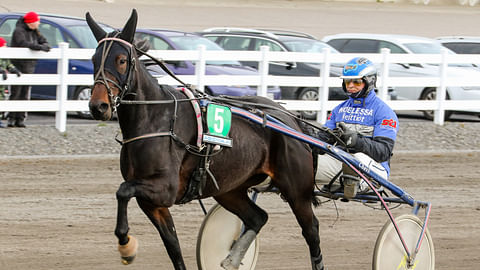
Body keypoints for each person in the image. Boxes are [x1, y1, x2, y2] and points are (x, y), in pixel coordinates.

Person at [315, 57, 399, 198]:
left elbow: (384, 152)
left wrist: (356, 142)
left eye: (356, 82)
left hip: (374, 169)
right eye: (347, 82)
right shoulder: (338, 110)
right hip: (341, 162)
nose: (351, 86)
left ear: (369, 81)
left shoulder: (384, 112)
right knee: (305, 161)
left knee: (357, 157)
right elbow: (321, 140)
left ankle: (363, 184)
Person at [8, 11, 50, 128]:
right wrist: (39, 47)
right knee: (16, 93)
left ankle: (20, 119)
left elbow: (45, 41)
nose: (39, 22)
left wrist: (43, 46)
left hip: (29, 66)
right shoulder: (19, 31)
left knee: (25, 93)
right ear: (31, 22)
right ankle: (11, 118)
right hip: (18, 66)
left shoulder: (35, 32)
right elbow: (22, 43)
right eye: (37, 20)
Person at [0, 37, 22, 128]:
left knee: (2, 100)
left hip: (3, 86)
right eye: (4, 45)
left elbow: (9, 64)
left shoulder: (5, 57)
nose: (6, 46)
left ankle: (0, 119)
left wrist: (14, 69)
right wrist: (1, 70)